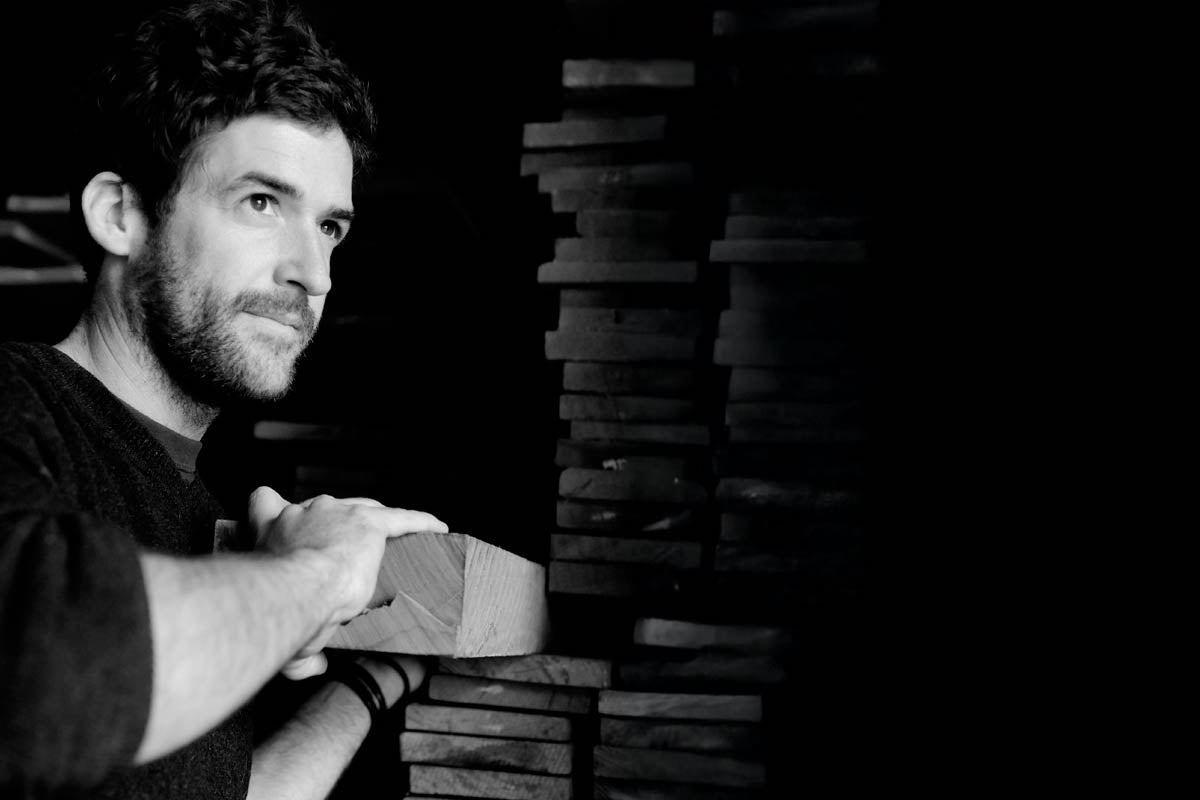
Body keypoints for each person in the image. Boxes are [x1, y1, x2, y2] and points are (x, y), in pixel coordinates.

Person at [0, 1, 447, 797]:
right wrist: (321, 572)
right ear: (121, 214)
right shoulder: (16, 408)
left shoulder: (210, 522)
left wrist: (381, 673)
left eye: (331, 228)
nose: (313, 273)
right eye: (261, 203)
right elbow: (49, 672)